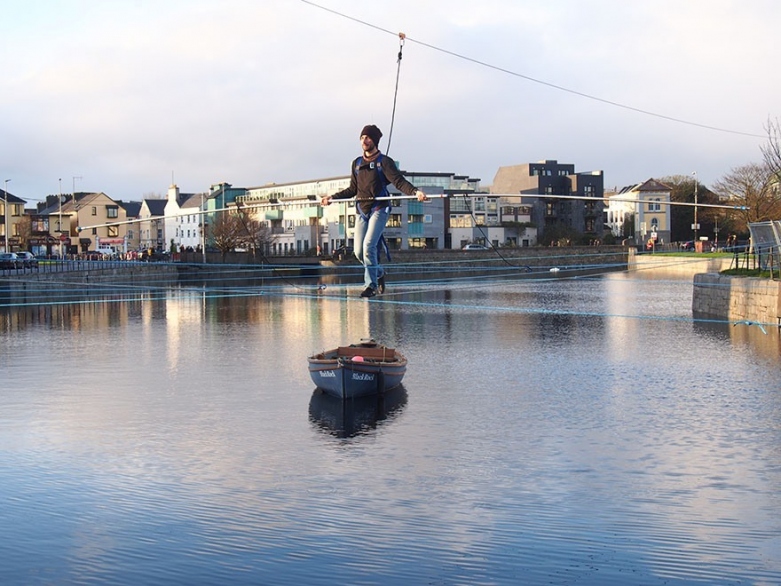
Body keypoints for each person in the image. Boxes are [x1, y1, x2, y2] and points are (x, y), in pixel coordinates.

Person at [321, 124, 427, 297]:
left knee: (369, 246)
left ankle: (371, 286)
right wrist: (332, 198)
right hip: (362, 210)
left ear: (375, 141)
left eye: (368, 137)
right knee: (358, 252)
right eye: (362, 137)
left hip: (380, 208)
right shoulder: (356, 164)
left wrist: (416, 192)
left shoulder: (384, 162)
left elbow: (399, 182)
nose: (364, 140)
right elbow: (352, 190)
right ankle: (378, 272)